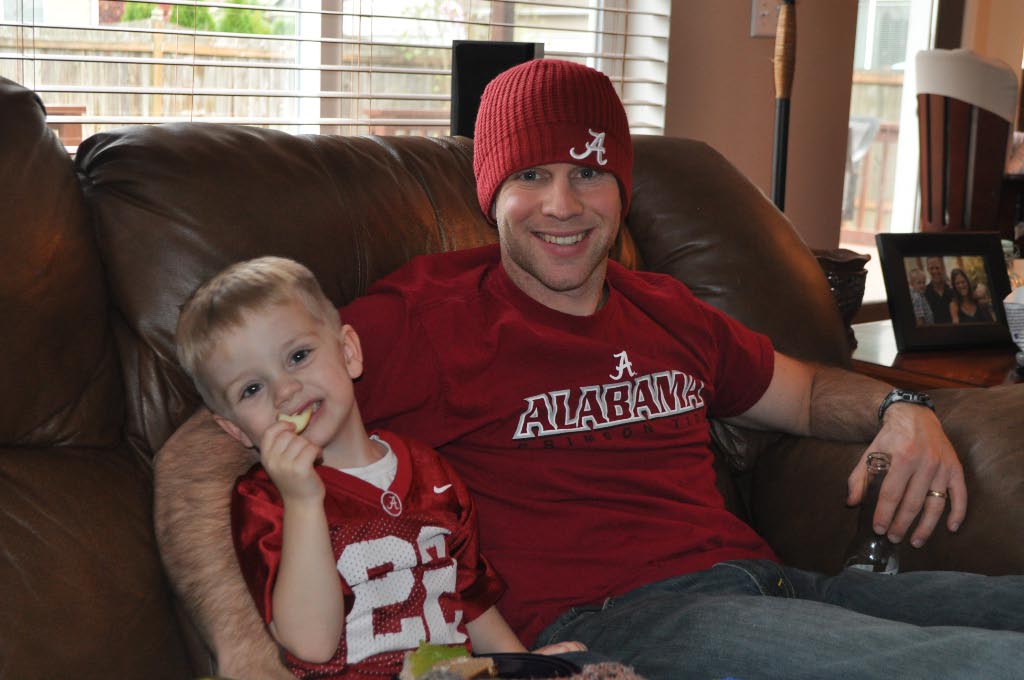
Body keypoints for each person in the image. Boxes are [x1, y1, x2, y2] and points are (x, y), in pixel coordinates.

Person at [154, 59, 1024, 680]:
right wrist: (244, 650)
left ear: (622, 188)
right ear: (490, 194)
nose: (563, 205)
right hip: (618, 625)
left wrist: (903, 407)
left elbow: (804, 392)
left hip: (776, 586)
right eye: (531, 175)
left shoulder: (667, 307)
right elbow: (202, 451)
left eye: (589, 172)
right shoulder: (422, 318)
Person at [173, 256, 583, 679]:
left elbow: (467, 596)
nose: (285, 391)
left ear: (348, 353)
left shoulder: (430, 470)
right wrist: (303, 501)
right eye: (252, 388)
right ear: (235, 430)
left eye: (298, 356)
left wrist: (524, 663)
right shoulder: (267, 501)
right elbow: (312, 645)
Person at [924, 256, 954, 323]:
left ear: (942, 268)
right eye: (931, 268)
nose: (935, 271)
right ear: (928, 270)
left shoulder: (952, 290)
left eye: (937, 268)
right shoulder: (924, 293)